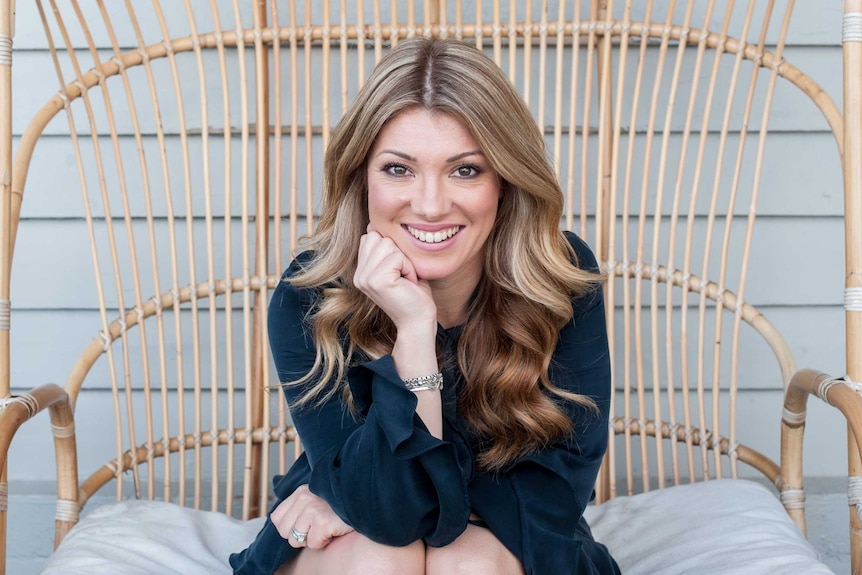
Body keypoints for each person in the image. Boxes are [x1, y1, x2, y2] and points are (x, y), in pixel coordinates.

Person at [230, 37, 620, 575]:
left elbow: (555, 493)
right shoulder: (310, 296)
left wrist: (361, 496)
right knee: (377, 557)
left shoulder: (561, 276)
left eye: (465, 170)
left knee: (467, 565)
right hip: (363, 512)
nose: (432, 205)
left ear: (505, 180)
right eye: (398, 169)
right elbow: (387, 517)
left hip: (517, 526)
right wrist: (414, 338)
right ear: (361, 177)